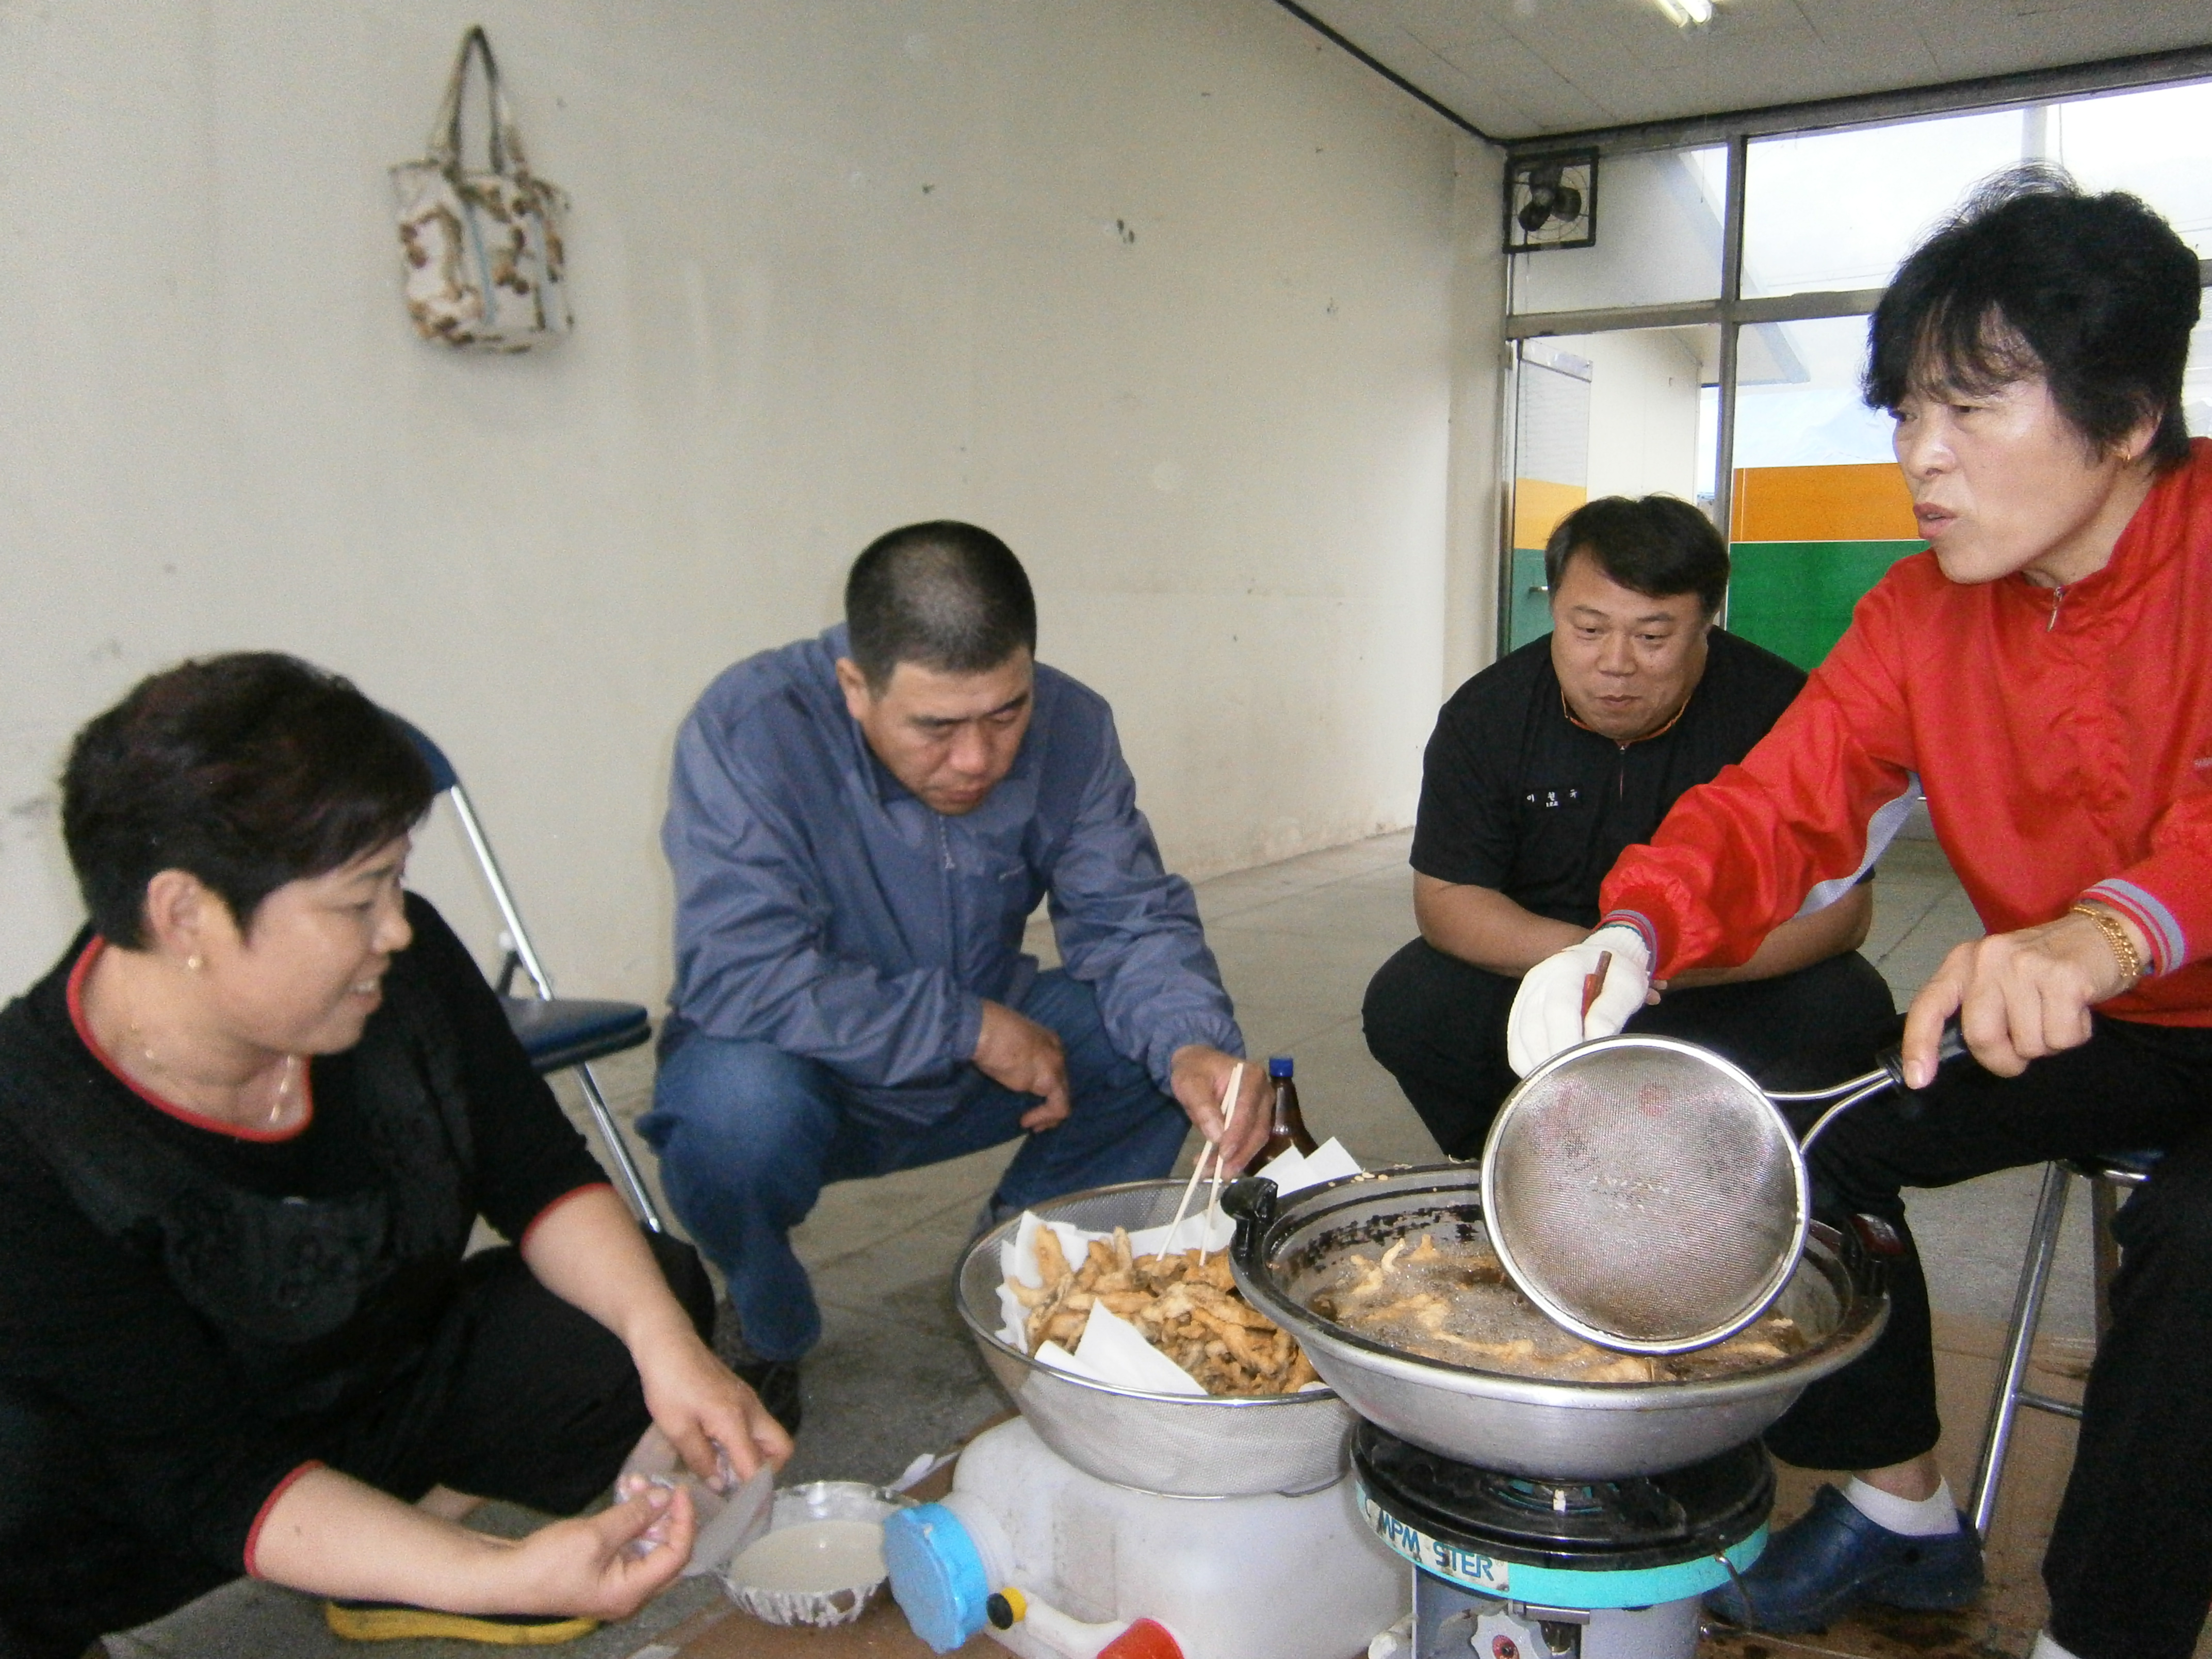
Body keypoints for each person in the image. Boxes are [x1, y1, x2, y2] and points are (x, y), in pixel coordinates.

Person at [1506, 169, 2211, 1659]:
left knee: (2201, 1246)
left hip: (2133, 982)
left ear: (2129, 417)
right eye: (1904, 413)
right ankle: (1902, 1509)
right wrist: (1635, 932)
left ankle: (2104, 1634)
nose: (1917, 458)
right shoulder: (1923, 612)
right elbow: (1780, 803)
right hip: (2106, 1028)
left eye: (1969, 408)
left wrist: (2102, 932)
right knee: (1785, 1142)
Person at [0, 654, 790, 1659]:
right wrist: (502, 1575)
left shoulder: (394, 975)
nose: (396, 930)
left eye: (396, 882)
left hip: (373, 1384)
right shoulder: (30, 1134)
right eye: (358, 900)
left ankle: (396, 1549)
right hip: (162, 1483)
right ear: (185, 914)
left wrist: (674, 1355)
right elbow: (210, 1478)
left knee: (640, 1298)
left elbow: (538, 1173)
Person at [641, 521, 1266, 1424]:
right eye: (935, 727)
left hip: (984, 1059)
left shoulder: (1073, 725)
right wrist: (963, 1027)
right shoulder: (751, 728)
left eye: (1005, 715)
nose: (976, 759)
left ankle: (1018, 1280)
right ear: (855, 686)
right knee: (729, 1115)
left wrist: (1194, 1046)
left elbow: (1129, 918)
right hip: (805, 1071)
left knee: (1152, 1051)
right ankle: (769, 1325)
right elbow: (742, 968)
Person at [1362, 493, 1899, 1159]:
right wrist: (1594, 960)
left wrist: (1653, 962)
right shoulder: (1487, 715)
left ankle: (1763, 1180)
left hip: (1718, 969)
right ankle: (1512, 1166)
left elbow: (1842, 915)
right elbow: (1448, 899)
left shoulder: (1785, 712)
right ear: (1554, 608)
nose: (1616, 663)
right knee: (1412, 1003)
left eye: (1652, 637)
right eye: (1588, 629)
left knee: (1847, 1009)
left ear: (1707, 622)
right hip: (1547, 957)